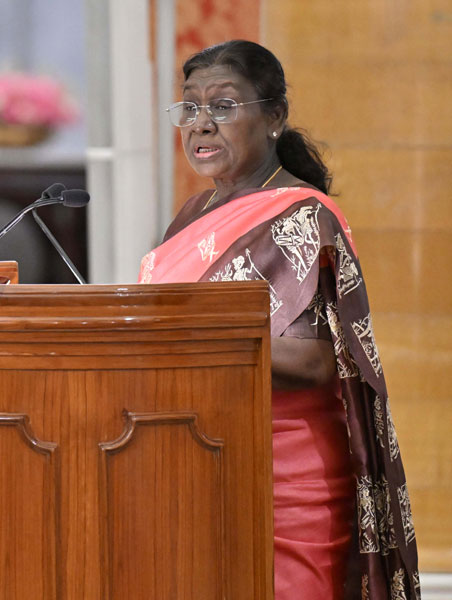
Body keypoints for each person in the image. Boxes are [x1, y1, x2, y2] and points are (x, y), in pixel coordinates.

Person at [139, 40, 420, 599]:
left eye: (222, 106)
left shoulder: (302, 214)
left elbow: (315, 360)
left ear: (273, 117)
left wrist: (186, 338)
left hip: (281, 479)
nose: (201, 124)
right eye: (190, 107)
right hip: (198, 458)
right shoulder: (192, 214)